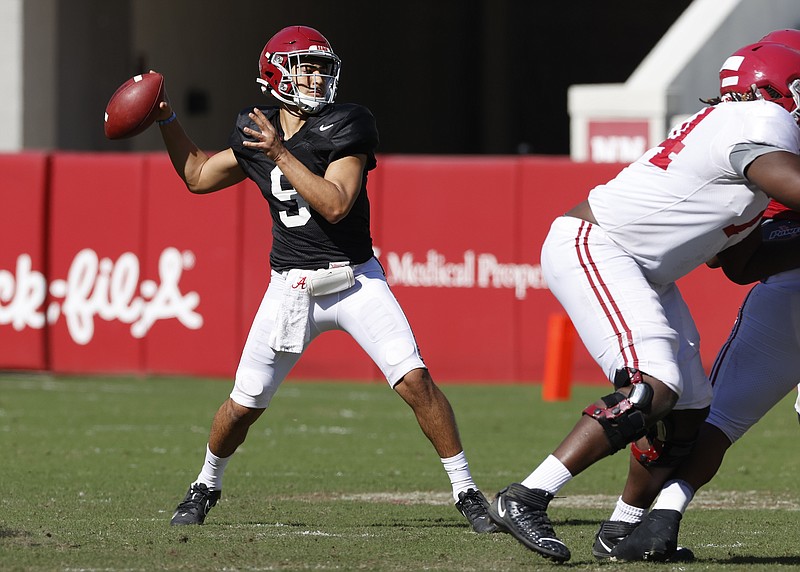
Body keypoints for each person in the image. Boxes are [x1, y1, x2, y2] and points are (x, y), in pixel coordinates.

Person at [152, 25, 496, 533]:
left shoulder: (347, 123)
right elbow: (199, 175)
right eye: (305, 67)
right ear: (276, 74)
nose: (316, 77)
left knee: (416, 380)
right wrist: (167, 120)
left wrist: (279, 153)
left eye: (321, 67)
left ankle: (467, 492)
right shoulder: (259, 127)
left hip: (356, 281)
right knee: (243, 405)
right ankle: (206, 483)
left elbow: (336, 203)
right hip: (291, 286)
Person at [486, 40, 800, 562]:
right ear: (776, 85)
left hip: (643, 270)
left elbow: (740, 265)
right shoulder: (761, 118)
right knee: (653, 387)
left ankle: (621, 531)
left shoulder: (743, 131)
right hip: (599, 245)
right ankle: (527, 496)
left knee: (690, 412)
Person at [591, 29, 800, 562]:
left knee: (717, 420)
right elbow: (739, 261)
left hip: (781, 291)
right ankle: (642, 518)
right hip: (784, 290)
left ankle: (653, 518)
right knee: (714, 419)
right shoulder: (762, 145)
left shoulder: (728, 134)